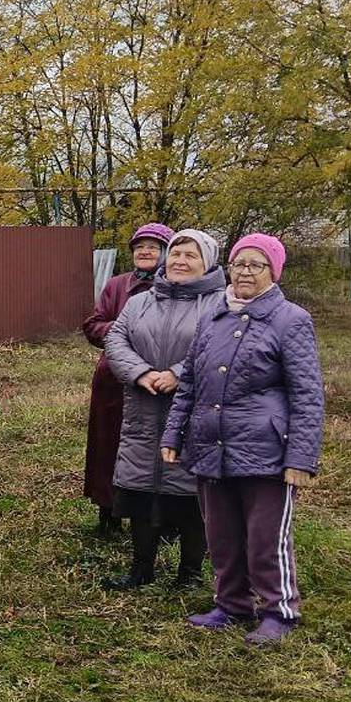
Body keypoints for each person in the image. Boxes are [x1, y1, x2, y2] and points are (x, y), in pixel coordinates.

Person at [161, 232, 324, 645]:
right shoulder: (213, 318)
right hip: (211, 444)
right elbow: (191, 384)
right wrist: (174, 434)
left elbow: (307, 394)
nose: (245, 272)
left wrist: (300, 459)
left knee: (266, 537)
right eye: (239, 263)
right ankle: (231, 604)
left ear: (273, 272)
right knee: (222, 533)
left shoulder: (291, 320)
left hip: (267, 451)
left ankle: (279, 610)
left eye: (256, 265)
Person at [103, 230, 226, 590]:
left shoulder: (221, 302)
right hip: (142, 407)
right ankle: (141, 569)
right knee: (141, 487)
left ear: (208, 263)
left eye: (191, 256)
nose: (180, 262)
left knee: (191, 492)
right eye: (175, 254)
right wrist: (141, 373)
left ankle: (189, 574)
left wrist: (177, 374)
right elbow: (116, 339)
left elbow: (218, 348)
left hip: (194, 410)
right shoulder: (141, 300)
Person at [82, 222, 174, 536]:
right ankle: (107, 512)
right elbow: (93, 326)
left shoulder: (178, 288)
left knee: (154, 449)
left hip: (159, 383)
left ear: (166, 252)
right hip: (114, 380)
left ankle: (156, 518)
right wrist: (124, 332)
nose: (145, 252)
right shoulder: (117, 286)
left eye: (153, 247)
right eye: (139, 247)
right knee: (108, 446)